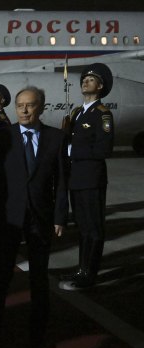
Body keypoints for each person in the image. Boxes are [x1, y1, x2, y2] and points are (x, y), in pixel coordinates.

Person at [0, 86, 69, 348]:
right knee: (1, 274)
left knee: (39, 277)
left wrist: (60, 216)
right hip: (9, 218)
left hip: (40, 217)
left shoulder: (56, 138)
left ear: (42, 107)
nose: (23, 110)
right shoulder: (4, 136)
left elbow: (61, 182)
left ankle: (39, 331)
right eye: (20, 105)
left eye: (30, 105)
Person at [61, 63, 114, 289]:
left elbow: (104, 150)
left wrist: (72, 150)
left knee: (93, 228)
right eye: (84, 79)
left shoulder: (103, 115)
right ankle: (82, 269)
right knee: (82, 227)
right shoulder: (76, 113)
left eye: (91, 80)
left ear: (100, 87)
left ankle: (89, 274)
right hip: (77, 179)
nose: (85, 81)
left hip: (92, 178)